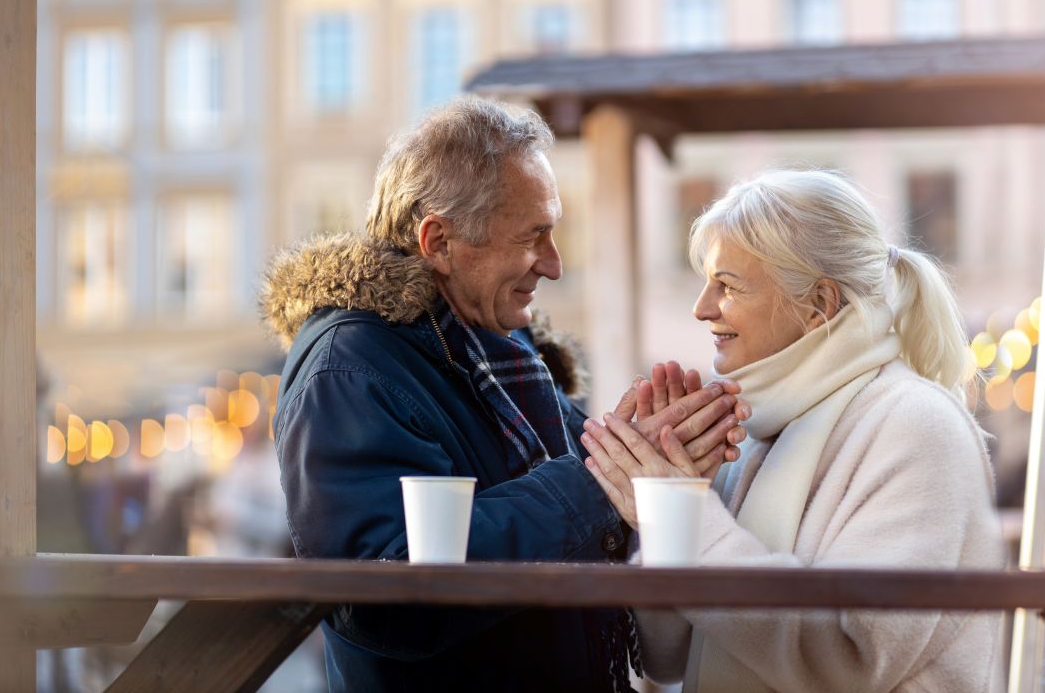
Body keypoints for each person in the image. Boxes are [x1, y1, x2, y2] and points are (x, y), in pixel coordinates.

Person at [260, 96, 747, 692]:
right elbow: (380, 604)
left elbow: (583, 505)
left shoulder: (503, 351)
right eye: (533, 236)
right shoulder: (347, 370)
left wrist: (640, 455)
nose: (554, 264)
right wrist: (600, 481)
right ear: (438, 240)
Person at [581, 169, 1006, 692]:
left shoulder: (916, 424)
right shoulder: (757, 428)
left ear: (818, 305)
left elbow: (847, 659)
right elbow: (666, 660)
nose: (702, 308)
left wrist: (684, 517)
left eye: (727, 285)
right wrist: (664, 513)